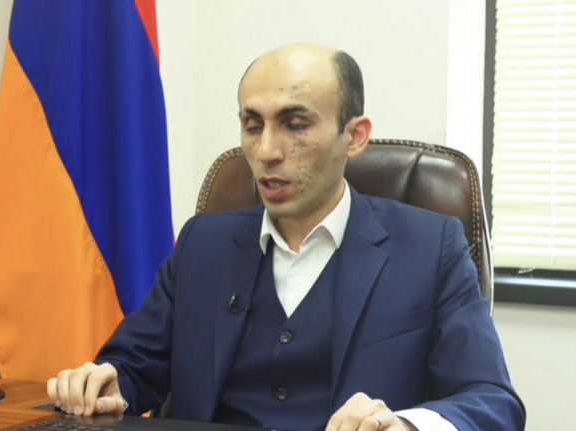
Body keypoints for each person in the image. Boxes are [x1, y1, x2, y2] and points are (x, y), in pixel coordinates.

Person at [46, 44, 525, 431]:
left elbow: (492, 401)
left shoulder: (429, 246)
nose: (267, 151)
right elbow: (134, 365)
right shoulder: (203, 244)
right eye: (252, 126)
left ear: (355, 137)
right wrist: (108, 383)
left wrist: (404, 424)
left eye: (295, 125)